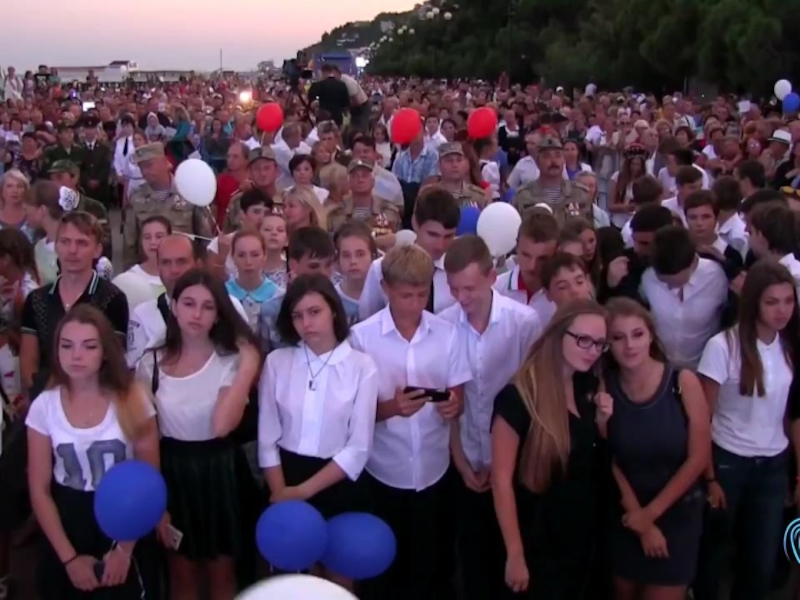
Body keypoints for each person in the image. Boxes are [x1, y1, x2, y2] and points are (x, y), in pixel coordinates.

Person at [351, 244, 471, 600]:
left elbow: (458, 391)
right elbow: (352, 415)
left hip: (434, 469)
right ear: (385, 288)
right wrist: (392, 408)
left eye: (422, 295)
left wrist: (453, 405)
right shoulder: (362, 338)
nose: (416, 304)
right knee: (382, 571)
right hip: (383, 472)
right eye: (406, 295)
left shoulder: (447, 334)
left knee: (430, 569)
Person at [135, 269, 260, 600]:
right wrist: (155, 500)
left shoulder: (230, 361)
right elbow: (145, 438)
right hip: (171, 471)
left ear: (218, 314)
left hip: (220, 472)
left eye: (207, 306)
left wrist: (248, 366)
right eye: (189, 303)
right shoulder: (150, 363)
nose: (196, 314)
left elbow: (221, 426)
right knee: (181, 573)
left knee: (222, 573)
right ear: (174, 307)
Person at [26, 305, 159, 599]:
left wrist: (124, 550)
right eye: (67, 346)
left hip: (127, 518)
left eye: (89, 346)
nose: (76, 356)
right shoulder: (44, 407)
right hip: (67, 520)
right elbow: (39, 490)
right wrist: (70, 559)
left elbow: (149, 482)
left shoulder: (133, 400)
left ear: (105, 352)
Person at [258, 274, 378, 587]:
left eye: (314, 312)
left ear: (333, 311)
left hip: (337, 481)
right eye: (297, 315)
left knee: (339, 579)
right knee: (297, 582)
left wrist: (303, 492)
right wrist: (282, 493)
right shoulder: (277, 362)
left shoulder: (361, 366)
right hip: (286, 476)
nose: (306, 323)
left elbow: (358, 448)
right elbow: (267, 438)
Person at [439, 235, 541, 600]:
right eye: (454, 289)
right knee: (473, 565)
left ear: (492, 277)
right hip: (467, 460)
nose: (461, 298)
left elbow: (534, 398)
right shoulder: (443, 324)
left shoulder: (524, 322)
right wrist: (461, 462)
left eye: (469, 288)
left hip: (516, 466)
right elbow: (448, 403)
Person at [491, 299, 611, 598]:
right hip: (539, 543)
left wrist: (602, 424)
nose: (593, 350)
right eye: (583, 340)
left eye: (600, 344)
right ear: (558, 335)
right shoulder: (518, 397)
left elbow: (593, 461)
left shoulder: (588, 387)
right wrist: (515, 553)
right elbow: (501, 481)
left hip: (585, 537)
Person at [694, 261, 798, 600]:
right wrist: (709, 477)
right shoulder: (722, 346)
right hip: (728, 461)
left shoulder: (789, 346)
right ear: (754, 302)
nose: (782, 310)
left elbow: (790, 414)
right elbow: (702, 417)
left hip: (773, 464)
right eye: (772, 302)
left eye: (788, 301)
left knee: (760, 562)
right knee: (714, 554)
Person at [603, 298, 709, 600]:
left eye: (637, 334)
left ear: (651, 335)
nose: (630, 345)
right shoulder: (604, 387)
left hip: (677, 512)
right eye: (618, 337)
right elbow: (607, 459)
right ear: (607, 344)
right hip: (626, 512)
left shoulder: (682, 381)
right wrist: (638, 519)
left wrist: (650, 516)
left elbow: (699, 457)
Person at [20, 212, 128, 399]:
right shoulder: (36, 299)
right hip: (45, 398)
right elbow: (28, 361)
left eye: (82, 243)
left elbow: (113, 361)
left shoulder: (112, 299)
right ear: (56, 246)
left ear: (97, 250)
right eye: (65, 242)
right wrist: (44, 399)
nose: (72, 250)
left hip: (95, 399)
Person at [126, 235, 248, 368]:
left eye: (182, 261)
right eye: (166, 262)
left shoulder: (229, 305)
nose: (174, 270)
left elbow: (246, 357)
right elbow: (134, 370)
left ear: (198, 265)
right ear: (158, 267)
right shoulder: (142, 315)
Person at [359, 187, 460, 319]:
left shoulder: (459, 269)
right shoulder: (380, 269)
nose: (440, 245)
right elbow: (368, 318)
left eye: (448, 236)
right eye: (433, 235)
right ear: (415, 223)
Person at [495, 212, 559, 325]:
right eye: (526, 255)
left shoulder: (563, 296)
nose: (532, 266)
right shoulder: (495, 290)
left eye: (542, 259)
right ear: (517, 247)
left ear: (556, 253)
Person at [225, 231, 280, 332]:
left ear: (264, 256)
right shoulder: (223, 293)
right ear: (233, 257)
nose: (248, 262)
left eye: (255, 255)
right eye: (241, 255)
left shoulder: (277, 296)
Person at [112, 215, 170, 310]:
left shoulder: (180, 274)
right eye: (147, 237)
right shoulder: (130, 279)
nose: (153, 242)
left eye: (159, 236)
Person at [333, 221, 378, 325]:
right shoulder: (333, 298)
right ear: (338, 259)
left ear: (373, 256)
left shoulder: (385, 294)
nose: (353, 261)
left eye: (360, 254)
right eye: (346, 255)